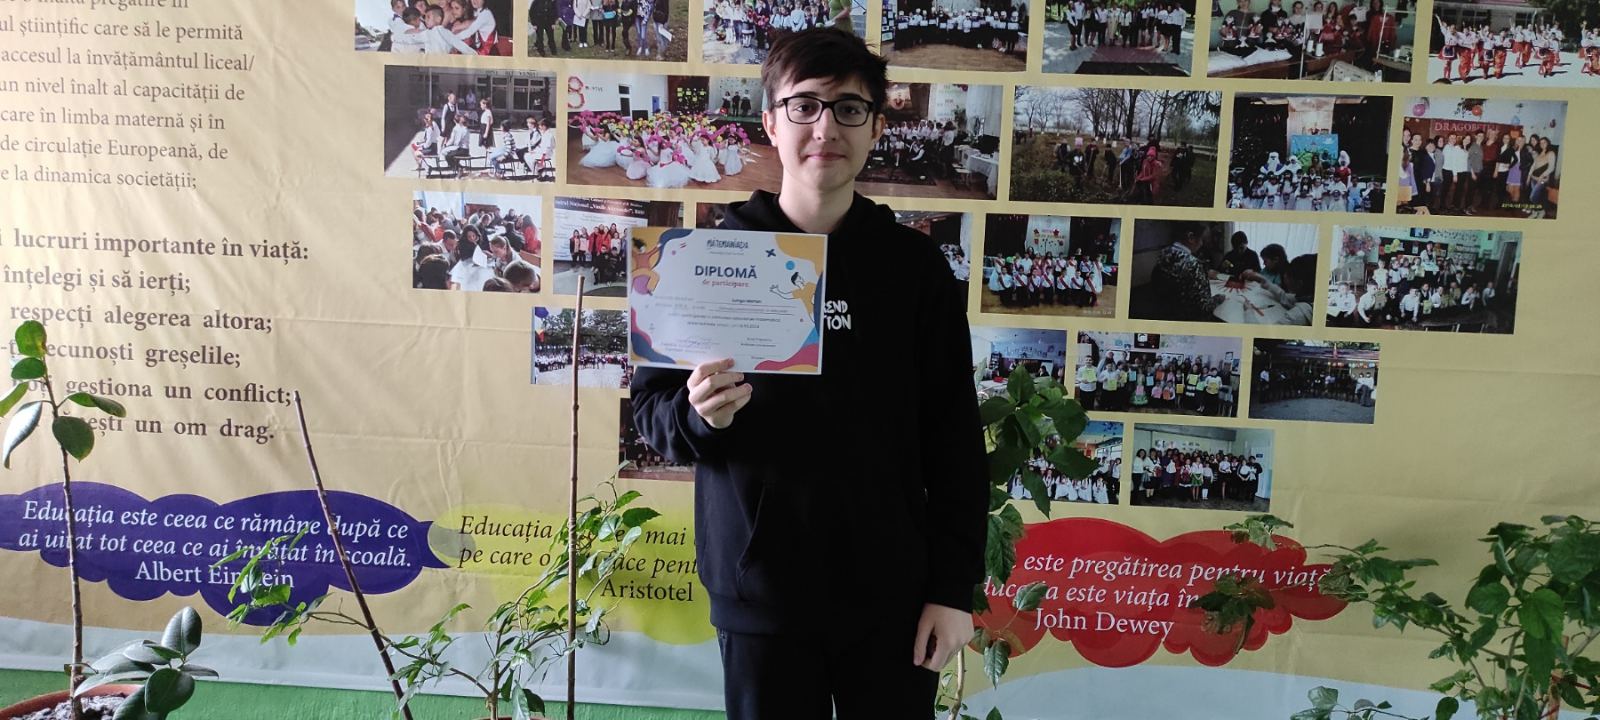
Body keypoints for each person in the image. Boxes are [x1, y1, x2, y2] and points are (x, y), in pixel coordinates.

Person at [629, 29, 985, 720]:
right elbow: (652, 414)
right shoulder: (704, 258)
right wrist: (699, 416)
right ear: (770, 122)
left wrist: (952, 589)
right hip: (760, 595)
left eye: (849, 108)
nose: (826, 128)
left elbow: (955, 441)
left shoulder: (913, 271)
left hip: (893, 599)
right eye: (805, 106)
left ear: (877, 127)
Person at [1149, 223, 1226, 322]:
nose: (1201, 244)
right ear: (1191, 237)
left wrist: (1203, 274)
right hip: (1187, 318)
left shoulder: (1164, 253)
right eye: (1201, 239)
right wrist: (1218, 298)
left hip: (1164, 313)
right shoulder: (1193, 264)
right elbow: (1204, 307)